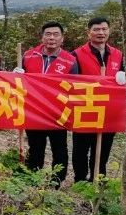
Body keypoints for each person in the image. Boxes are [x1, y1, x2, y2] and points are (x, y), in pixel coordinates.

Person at [14, 21, 79, 183]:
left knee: (60, 150)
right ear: (42, 37)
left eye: (56, 34)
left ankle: (56, 182)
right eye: (48, 34)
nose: (51, 38)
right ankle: (32, 179)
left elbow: (74, 87)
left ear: (62, 39)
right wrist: (15, 74)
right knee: (36, 148)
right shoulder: (28, 55)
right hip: (33, 111)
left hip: (57, 113)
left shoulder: (70, 60)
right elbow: (17, 83)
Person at [70, 17, 124, 182]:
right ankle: (80, 180)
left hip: (109, 111)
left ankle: (98, 179)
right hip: (85, 109)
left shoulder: (118, 54)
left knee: (103, 149)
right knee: (80, 148)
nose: (101, 33)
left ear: (109, 31)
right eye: (96, 30)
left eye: (104, 29)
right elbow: (72, 81)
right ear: (89, 32)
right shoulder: (76, 55)